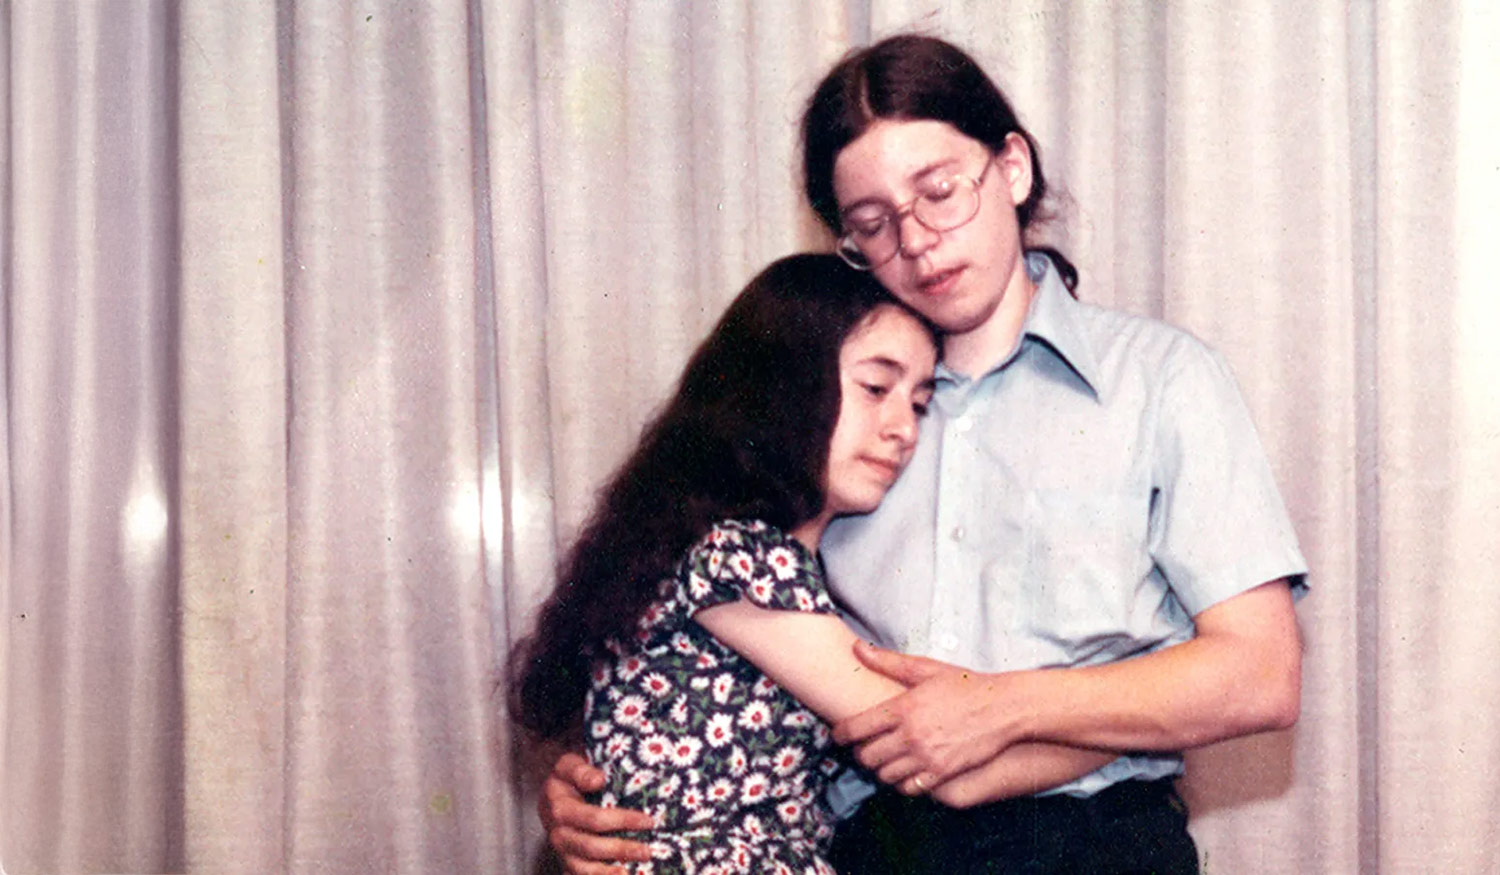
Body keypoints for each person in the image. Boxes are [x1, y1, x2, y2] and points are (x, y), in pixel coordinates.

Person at [538, 35, 1308, 874]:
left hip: (1095, 847)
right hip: (864, 848)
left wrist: (1005, 706)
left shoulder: (1161, 380)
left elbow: (1261, 672)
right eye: (871, 223)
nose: (917, 240)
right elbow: (696, 644)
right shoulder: (827, 420)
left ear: (1012, 168)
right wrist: (609, 784)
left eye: (940, 192)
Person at [516, 254, 1089, 873]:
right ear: (783, 384)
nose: (903, 428)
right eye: (876, 388)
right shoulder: (744, 557)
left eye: (920, 403)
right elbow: (941, 760)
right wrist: (1129, 744)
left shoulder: (717, 543)